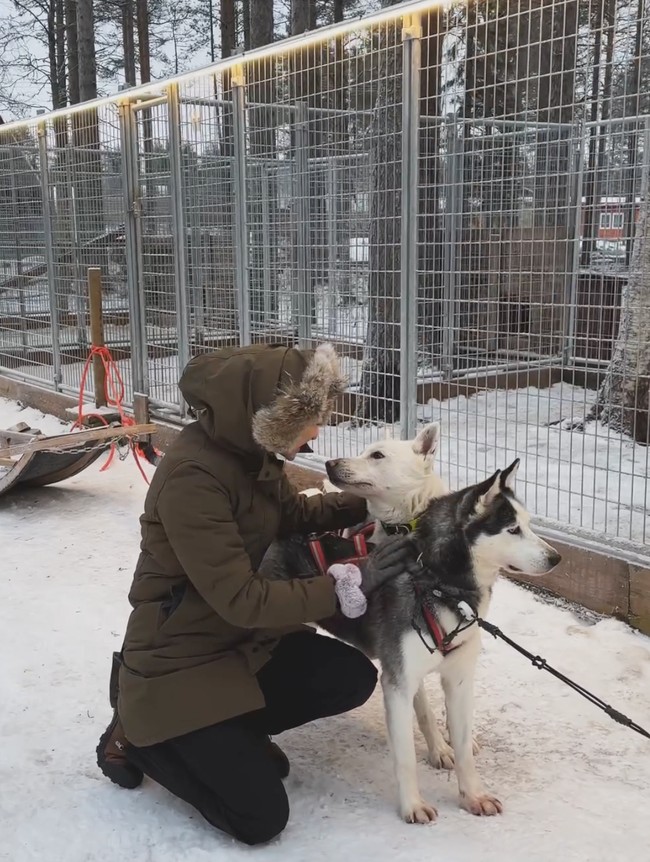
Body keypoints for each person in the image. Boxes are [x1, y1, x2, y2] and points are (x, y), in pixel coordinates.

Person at [96, 343, 420, 846]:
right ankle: (138, 733)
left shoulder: (249, 454)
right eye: (309, 421)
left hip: (236, 643)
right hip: (181, 657)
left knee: (349, 676)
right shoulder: (194, 478)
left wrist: (372, 500)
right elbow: (242, 599)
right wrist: (345, 582)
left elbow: (292, 515)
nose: (316, 433)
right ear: (270, 415)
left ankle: (231, 733)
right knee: (259, 817)